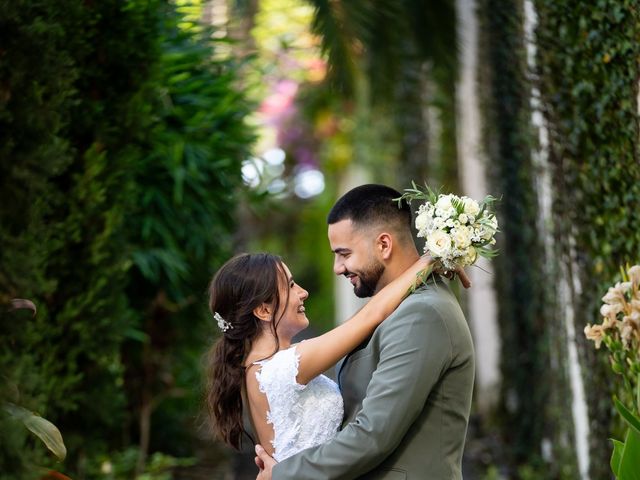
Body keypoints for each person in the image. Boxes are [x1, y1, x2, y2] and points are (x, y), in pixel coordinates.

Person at [255, 184, 476, 479]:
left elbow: (374, 434)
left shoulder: (421, 315)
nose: (337, 267)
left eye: (344, 253)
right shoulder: (400, 306)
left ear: (383, 245)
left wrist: (283, 474)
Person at [205, 251, 441, 462]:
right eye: (291, 285)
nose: (303, 292)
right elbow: (372, 315)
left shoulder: (257, 368)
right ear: (264, 310)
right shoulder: (283, 368)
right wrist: (430, 259)